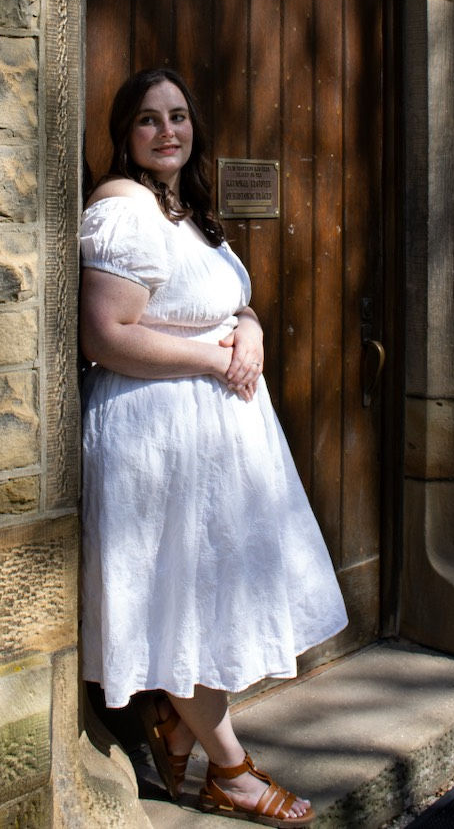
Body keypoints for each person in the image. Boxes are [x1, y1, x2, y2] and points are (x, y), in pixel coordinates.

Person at [79, 67, 348, 825]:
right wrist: (214, 358)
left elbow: (226, 302)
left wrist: (251, 330)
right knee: (187, 600)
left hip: (212, 437)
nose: (167, 130)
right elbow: (106, 336)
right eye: (148, 119)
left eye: (178, 116)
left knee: (209, 594)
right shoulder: (122, 209)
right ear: (124, 134)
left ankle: (176, 723)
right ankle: (232, 772)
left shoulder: (184, 209)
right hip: (158, 437)